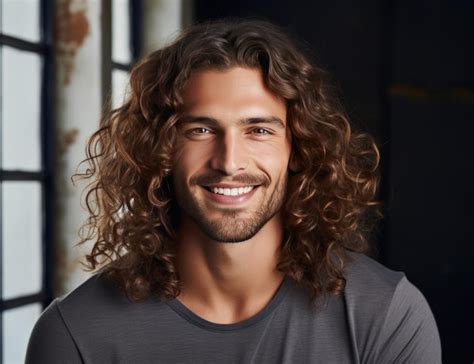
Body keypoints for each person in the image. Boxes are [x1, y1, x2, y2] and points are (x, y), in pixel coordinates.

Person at [26, 18, 442, 363]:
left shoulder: (386, 316)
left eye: (258, 130)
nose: (229, 161)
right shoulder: (75, 335)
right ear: (161, 148)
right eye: (201, 130)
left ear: (298, 148)